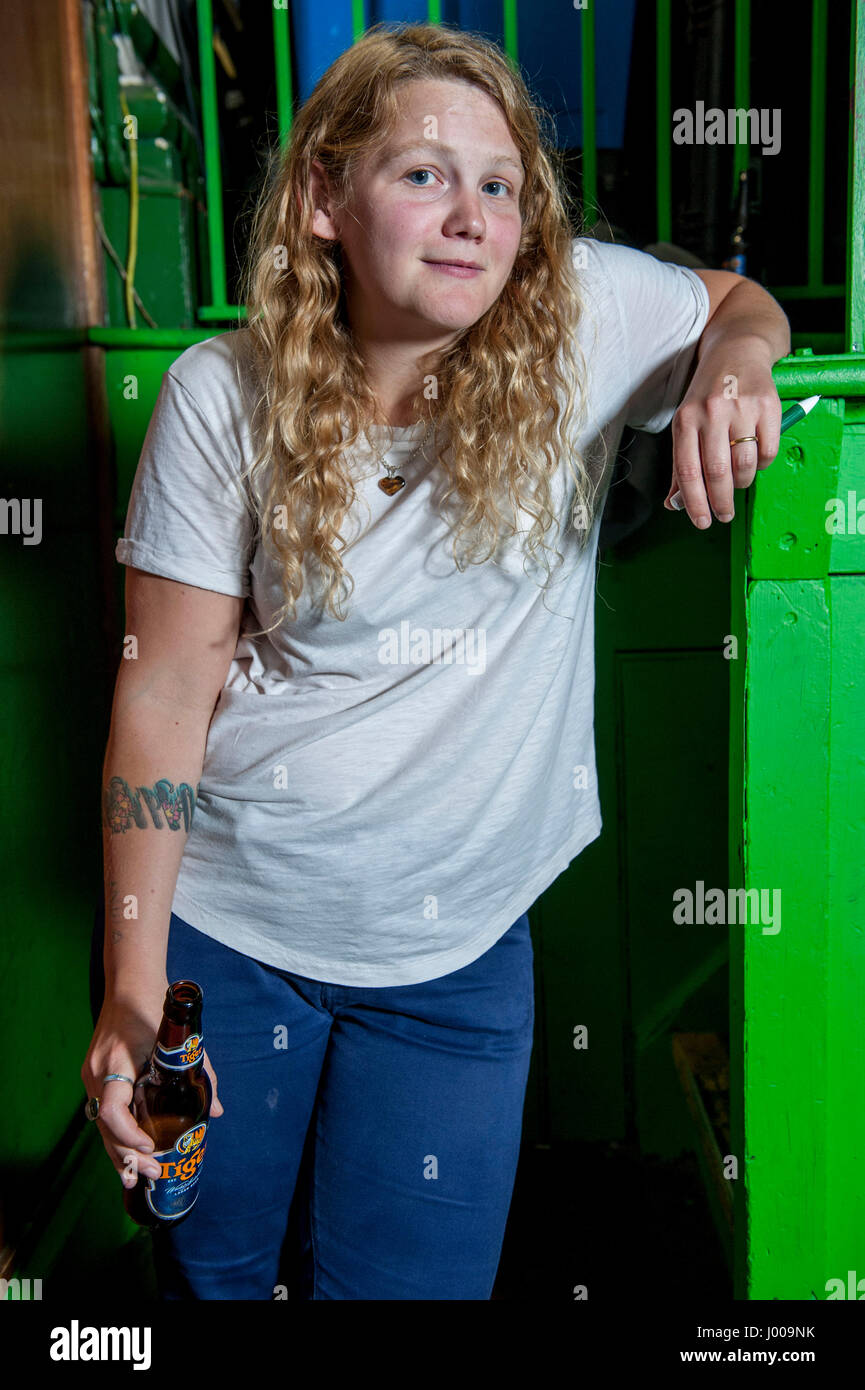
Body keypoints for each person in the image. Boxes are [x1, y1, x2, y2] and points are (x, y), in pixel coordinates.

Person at [81, 21, 790, 1301]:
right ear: (322, 201)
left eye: (501, 183)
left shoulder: (580, 324)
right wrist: (135, 992)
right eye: (420, 173)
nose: (470, 213)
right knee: (216, 1274)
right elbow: (167, 691)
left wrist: (735, 360)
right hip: (236, 932)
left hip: (456, 952)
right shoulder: (217, 396)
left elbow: (736, 303)